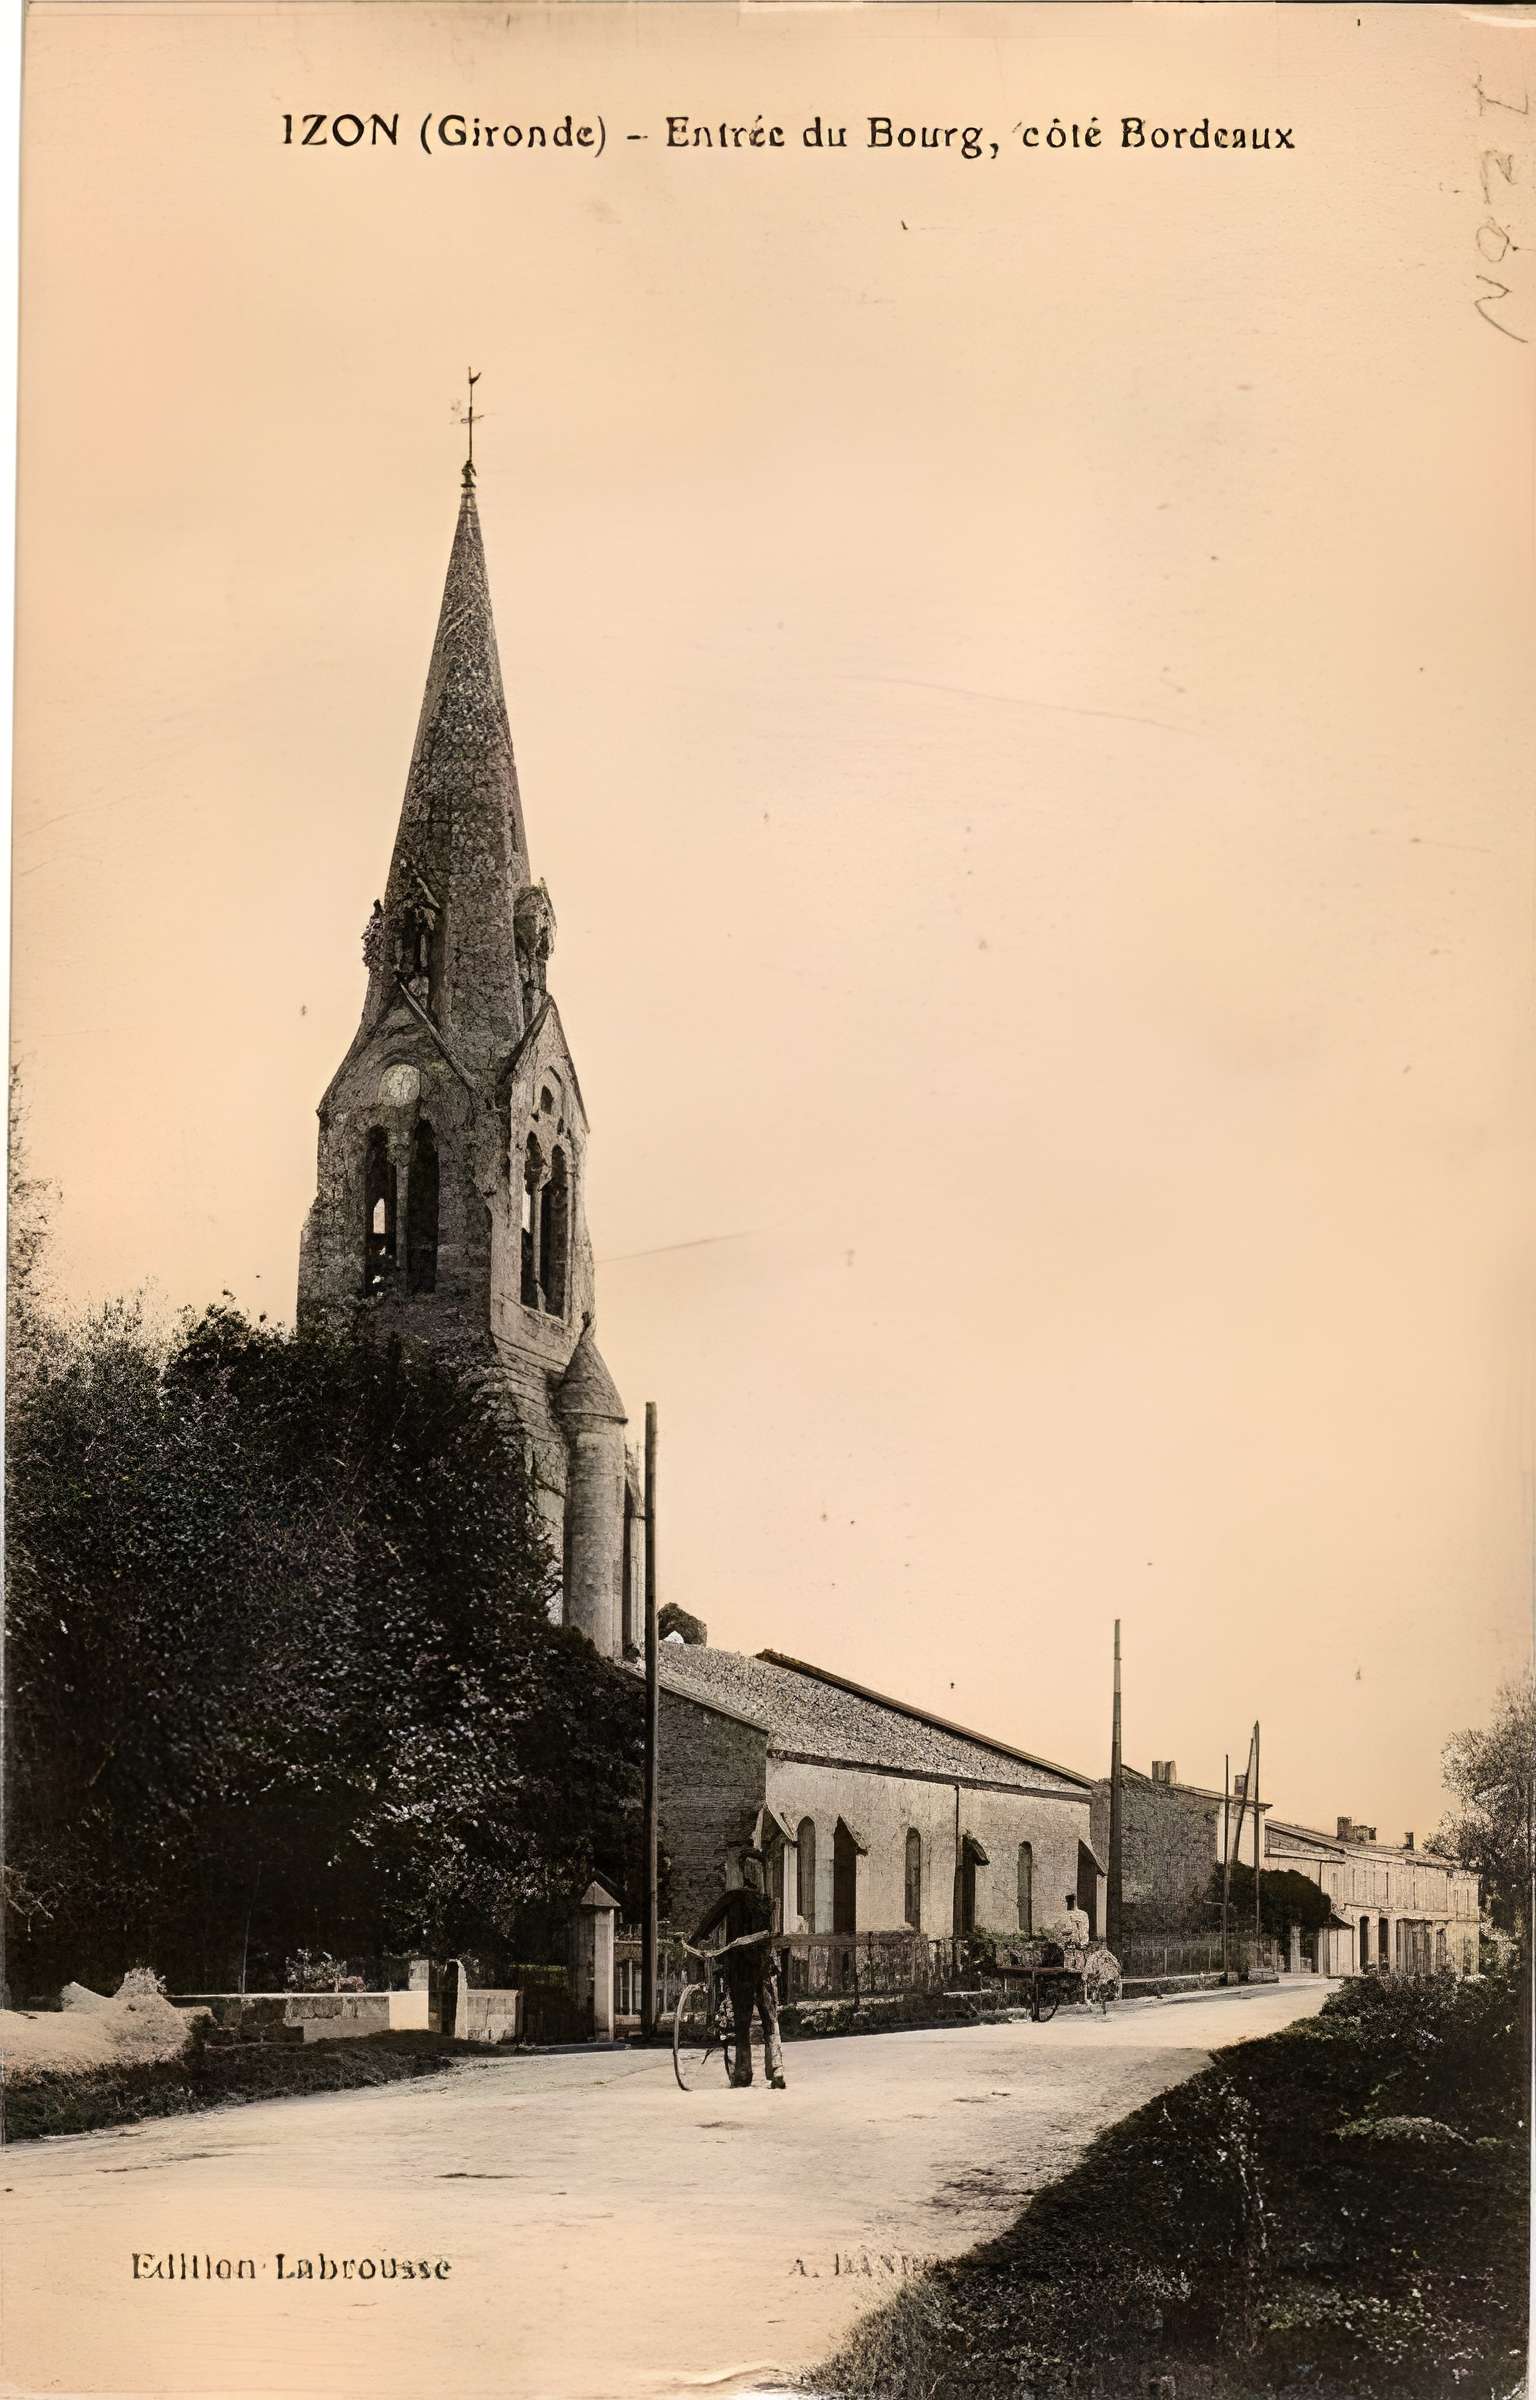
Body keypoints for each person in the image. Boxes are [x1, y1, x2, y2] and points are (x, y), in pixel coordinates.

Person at [689, 1848, 786, 2090]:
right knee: (768, 2017)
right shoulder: (766, 1901)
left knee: (743, 2020)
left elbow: (711, 1919)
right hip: (761, 1966)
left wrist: (694, 1941)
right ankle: (776, 2069)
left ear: (743, 1873)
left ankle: (744, 2073)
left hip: (742, 1967)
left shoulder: (734, 1898)